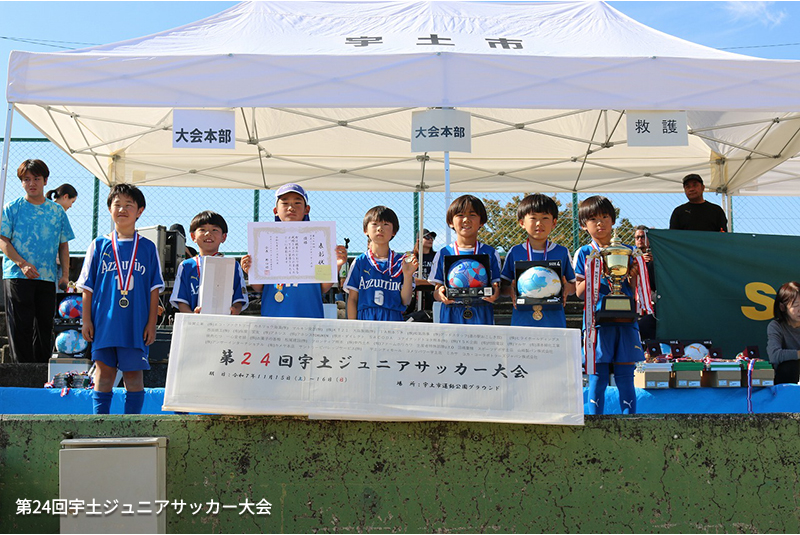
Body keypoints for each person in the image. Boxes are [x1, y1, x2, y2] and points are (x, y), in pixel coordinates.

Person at [77, 184, 165, 414]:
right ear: (109, 209)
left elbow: (154, 289)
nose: (122, 209)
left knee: (133, 377)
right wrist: (86, 320)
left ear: (140, 211)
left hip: (135, 324)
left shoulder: (147, 247)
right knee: (104, 375)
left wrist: (151, 324)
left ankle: (131, 427)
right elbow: (87, 288)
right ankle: (100, 424)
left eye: (129, 205)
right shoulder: (98, 245)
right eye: (117, 205)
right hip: (104, 324)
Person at [573, 196, 646, 415]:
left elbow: (635, 288)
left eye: (605, 217)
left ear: (613, 220)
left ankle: (629, 424)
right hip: (596, 324)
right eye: (593, 219)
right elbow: (578, 292)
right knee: (598, 377)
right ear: (583, 225)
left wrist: (633, 275)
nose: (600, 223)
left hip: (625, 321)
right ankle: (595, 424)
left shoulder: (628, 251)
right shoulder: (584, 253)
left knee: (625, 377)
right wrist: (595, 271)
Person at [0, 159, 74, 363]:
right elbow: (2, 239)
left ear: (45, 180)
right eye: (26, 179)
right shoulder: (12, 208)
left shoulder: (57, 211)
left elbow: (63, 244)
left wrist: (65, 275)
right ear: (21, 182)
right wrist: (21, 263)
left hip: (47, 277)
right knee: (20, 326)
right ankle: (22, 372)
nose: (31, 183)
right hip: (17, 275)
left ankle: (41, 371)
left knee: (44, 327)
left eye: (36, 178)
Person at [240, 183, 346, 318]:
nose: (291, 208)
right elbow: (259, 287)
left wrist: (336, 266)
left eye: (297, 203)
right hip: (273, 316)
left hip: (310, 315)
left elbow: (323, 288)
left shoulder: (319, 239)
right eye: (285, 203)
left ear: (307, 209)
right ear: (275, 210)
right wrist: (250, 270)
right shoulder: (264, 240)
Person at [500, 193, 575, 328]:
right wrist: (510, 290)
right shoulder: (515, 252)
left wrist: (567, 288)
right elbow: (503, 287)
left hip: (554, 322)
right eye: (533, 218)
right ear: (522, 223)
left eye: (545, 218)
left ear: (554, 223)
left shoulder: (562, 252)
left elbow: (573, 285)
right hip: (522, 322)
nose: (539, 223)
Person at [428, 195, 501, 325]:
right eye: (460, 215)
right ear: (451, 222)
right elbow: (436, 290)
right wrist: (440, 295)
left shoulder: (490, 253)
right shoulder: (443, 253)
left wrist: (495, 293)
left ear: (481, 221)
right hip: (452, 311)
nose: (466, 220)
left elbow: (496, 286)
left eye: (472, 215)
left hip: (481, 310)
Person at [343, 206, 417, 321]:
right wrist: (353, 326)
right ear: (365, 230)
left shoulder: (401, 262)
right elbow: (353, 299)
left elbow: (405, 301)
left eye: (386, 224)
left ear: (394, 231)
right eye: (374, 224)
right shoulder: (360, 261)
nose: (380, 228)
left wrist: (407, 275)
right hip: (365, 319)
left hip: (393, 319)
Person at [170, 211, 248, 315]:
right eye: (202, 230)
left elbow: (239, 299)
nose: (208, 234)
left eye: (214, 230)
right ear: (193, 237)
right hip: (194, 323)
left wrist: (234, 310)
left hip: (224, 321)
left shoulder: (233, 265)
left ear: (223, 237)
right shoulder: (186, 266)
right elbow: (181, 301)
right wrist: (192, 315)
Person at [766, 281, 800, 385]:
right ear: (782, 307)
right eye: (796, 305)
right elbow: (774, 355)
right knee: (789, 367)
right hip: (786, 380)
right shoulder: (776, 326)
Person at [405, 228, 437, 318]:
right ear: (418, 240)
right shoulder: (410, 256)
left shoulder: (436, 256)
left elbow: (439, 280)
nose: (431, 240)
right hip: (414, 297)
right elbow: (411, 280)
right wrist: (430, 282)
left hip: (431, 295)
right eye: (427, 237)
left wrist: (422, 282)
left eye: (432, 237)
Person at [634, 225, 657, 342]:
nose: (640, 240)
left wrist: (655, 261)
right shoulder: (630, 256)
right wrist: (640, 261)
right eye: (637, 237)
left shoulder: (657, 254)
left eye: (643, 237)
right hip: (636, 297)